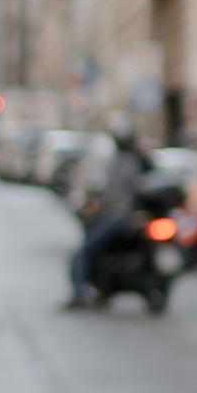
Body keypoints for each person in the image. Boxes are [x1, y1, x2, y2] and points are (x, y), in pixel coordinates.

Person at [66, 120, 148, 307]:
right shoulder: (132, 160)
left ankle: (79, 294)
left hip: (117, 216)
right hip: (121, 215)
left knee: (85, 251)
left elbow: (115, 192)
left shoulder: (125, 162)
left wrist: (99, 204)